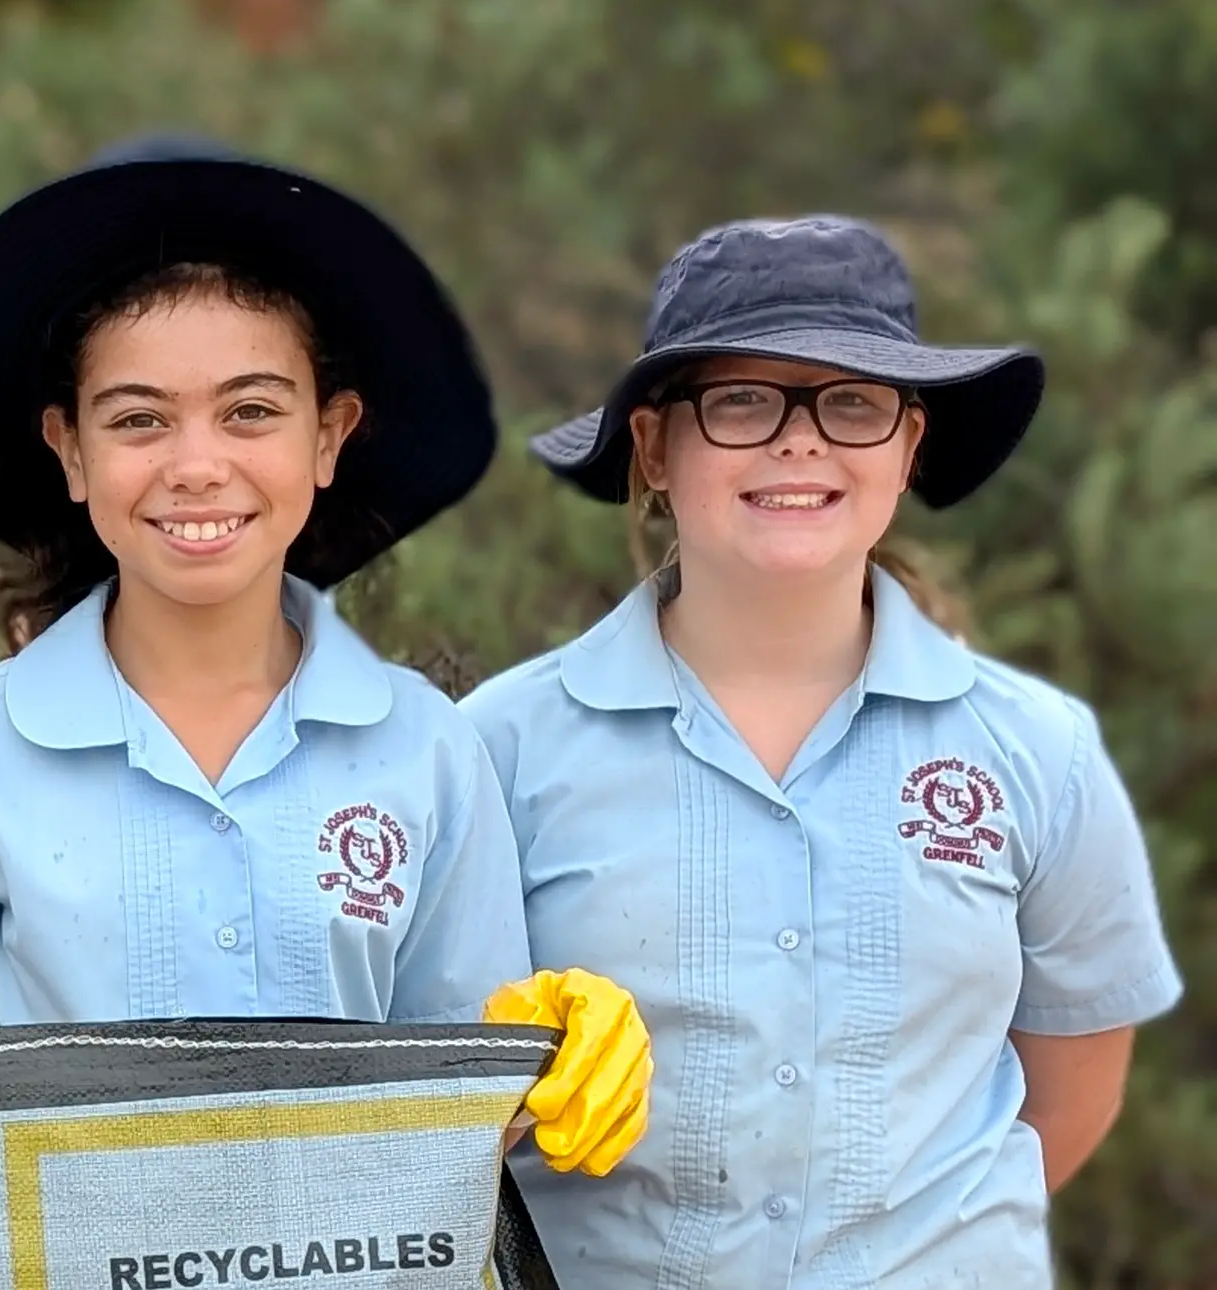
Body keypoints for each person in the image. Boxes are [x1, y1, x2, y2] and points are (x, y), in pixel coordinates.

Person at [0, 140, 652, 1269]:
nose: (197, 465)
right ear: (71, 449)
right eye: (139, 419)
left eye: (251, 411)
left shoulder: (427, 751)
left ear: (329, 436)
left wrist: (560, 1061)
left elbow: (463, 1121)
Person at [464, 216, 1182, 1285]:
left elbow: (1070, 1093)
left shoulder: (1040, 750)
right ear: (656, 449)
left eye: (852, 401)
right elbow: (433, 1108)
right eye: (743, 401)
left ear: (910, 443)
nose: (801, 441)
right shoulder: (496, 751)